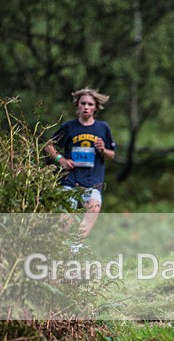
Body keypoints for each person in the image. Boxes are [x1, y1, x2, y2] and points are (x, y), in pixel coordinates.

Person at [44, 87, 116, 241]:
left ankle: (76, 247)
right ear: (77, 105)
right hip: (70, 179)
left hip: (92, 181)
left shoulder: (103, 128)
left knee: (94, 208)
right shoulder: (69, 127)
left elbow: (112, 154)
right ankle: (60, 250)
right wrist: (61, 159)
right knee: (65, 219)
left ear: (96, 107)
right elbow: (48, 145)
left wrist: (103, 149)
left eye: (90, 104)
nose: (86, 107)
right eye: (83, 103)